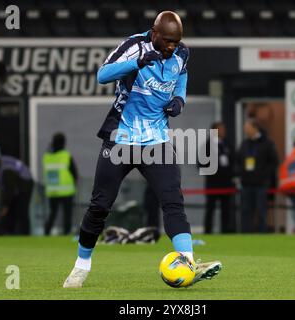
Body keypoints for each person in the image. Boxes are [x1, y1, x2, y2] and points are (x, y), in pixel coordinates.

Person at [63, 11, 222, 288]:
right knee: (100, 206)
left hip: (156, 141)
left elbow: (182, 77)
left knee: (173, 201)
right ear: (155, 32)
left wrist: (179, 100)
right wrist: (136, 63)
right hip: (121, 139)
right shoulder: (134, 45)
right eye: (168, 40)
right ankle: (81, 265)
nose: (172, 46)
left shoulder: (182, 53)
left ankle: (188, 262)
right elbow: (102, 74)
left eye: (177, 41)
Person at [236, 118, 279, 233]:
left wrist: (263, 175)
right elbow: (239, 160)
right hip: (246, 184)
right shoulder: (245, 143)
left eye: (247, 128)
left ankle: (262, 234)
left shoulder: (267, 143)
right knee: (246, 211)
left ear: (255, 128)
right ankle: (246, 234)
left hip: (261, 184)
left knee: (261, 211)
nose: (245, 130)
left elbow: (274, 162)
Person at [0, 156, 34, 235]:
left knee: (22, 211)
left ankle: (25, 234)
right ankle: (11, 233)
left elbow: (9, 190)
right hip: (18, 185)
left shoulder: (6, 171)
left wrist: (5, 207)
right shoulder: (0, 164)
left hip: (25, 184)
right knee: (13, 210)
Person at [201, 122, 235, 234]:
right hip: (213, 183)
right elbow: (200, 164)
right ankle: (208, 231)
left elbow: (234, 161)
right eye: (220, 129)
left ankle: (225, 231)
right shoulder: (207, 146)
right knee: (210, 209)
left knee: (226, 209)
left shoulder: (227, 144)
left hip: (226, 183)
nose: (223, 131)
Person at [43, 133, 78, 235]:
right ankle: (66, 233)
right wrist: (75, 181)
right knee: (67, 214)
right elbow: (74, 172)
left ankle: (47, 232)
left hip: (52, 191)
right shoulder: (66, 155)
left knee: (52, 213)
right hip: (66, 191)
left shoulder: (47, 157)